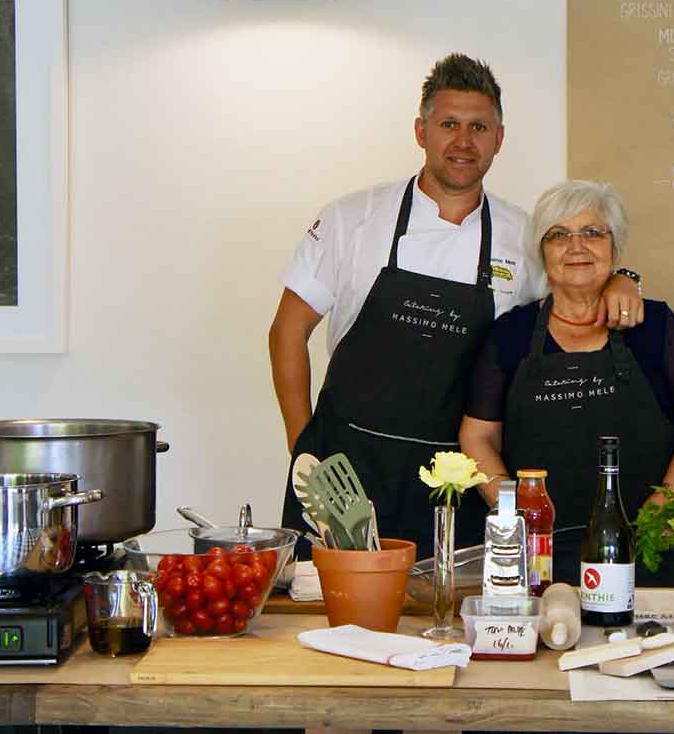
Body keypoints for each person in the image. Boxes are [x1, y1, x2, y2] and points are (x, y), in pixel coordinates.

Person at [269, 55, 643, 559]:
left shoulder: (524, 234)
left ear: (499, 138)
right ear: (422, 131)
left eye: (478, 127)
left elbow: (579, 293)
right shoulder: (351, 219)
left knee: (454, 623)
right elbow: (288, 332)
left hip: (462, 479)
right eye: (449, 125)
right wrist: (306, 450)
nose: (463, 142)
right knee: (325, 623)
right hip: (346, 475)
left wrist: (623, 277)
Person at [459, 180, 674, 586]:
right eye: (558, 235)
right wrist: (514, 512)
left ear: (615, 249)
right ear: (542, 253)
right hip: (543, 553)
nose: (575, 246)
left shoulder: (656, 325)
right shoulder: (509, 334)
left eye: (592, 233)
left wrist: (667, 504)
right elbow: (478, 437)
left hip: (654, 547)